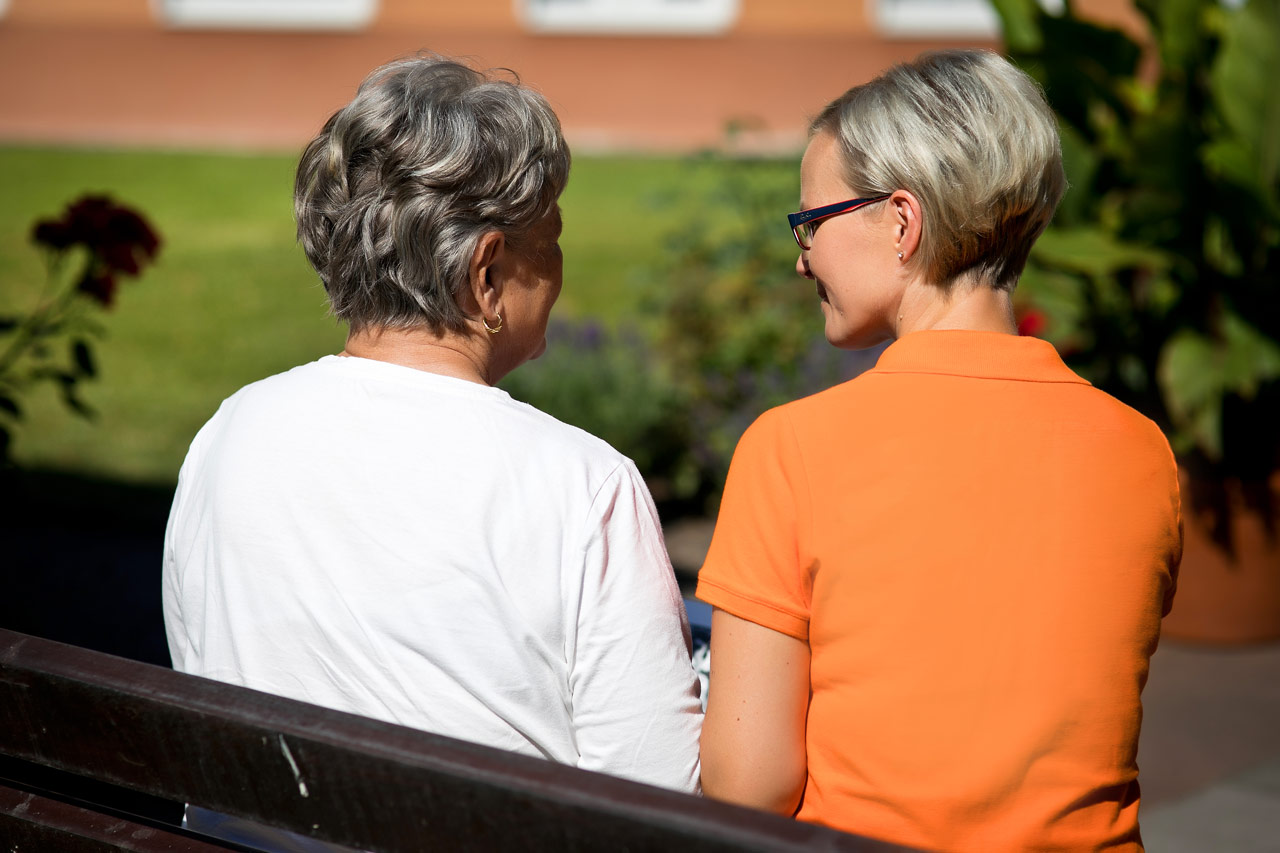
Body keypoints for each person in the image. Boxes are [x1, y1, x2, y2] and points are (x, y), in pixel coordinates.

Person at [163, 55, 702, 809]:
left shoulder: (229, 433)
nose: (557, 269)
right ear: (487, 274)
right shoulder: (584, 485)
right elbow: (658, 801)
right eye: (549, 242)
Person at [695, 49, 1182, 851]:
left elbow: (747, 785)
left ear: (900, 221)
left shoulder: (792, 448)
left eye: (811, 222)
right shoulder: (1143, 451)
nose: (800, 255)